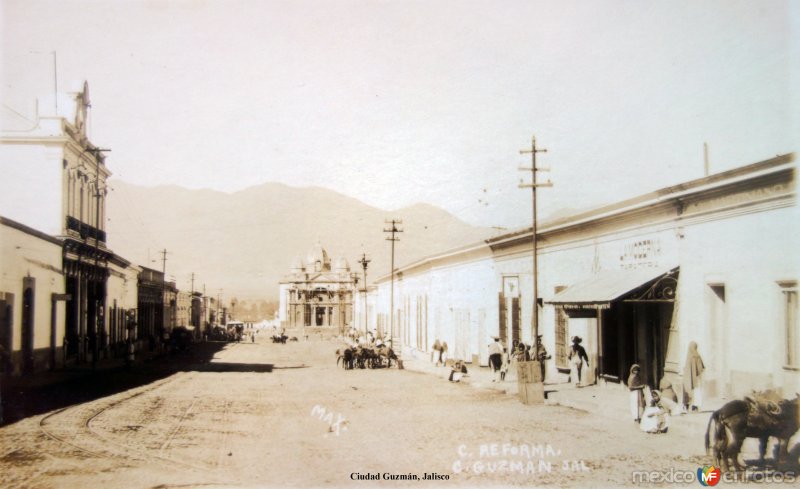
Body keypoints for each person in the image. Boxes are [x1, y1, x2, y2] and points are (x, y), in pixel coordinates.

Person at [682, 341, 705, 412]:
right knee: (696, 391)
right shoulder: (697, 356)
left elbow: (686, 368)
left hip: (688, 378)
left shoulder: (689, 356)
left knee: (688, 390)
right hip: (696, 378)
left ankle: (687, 406)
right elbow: (701, 368)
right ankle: (695, 406)